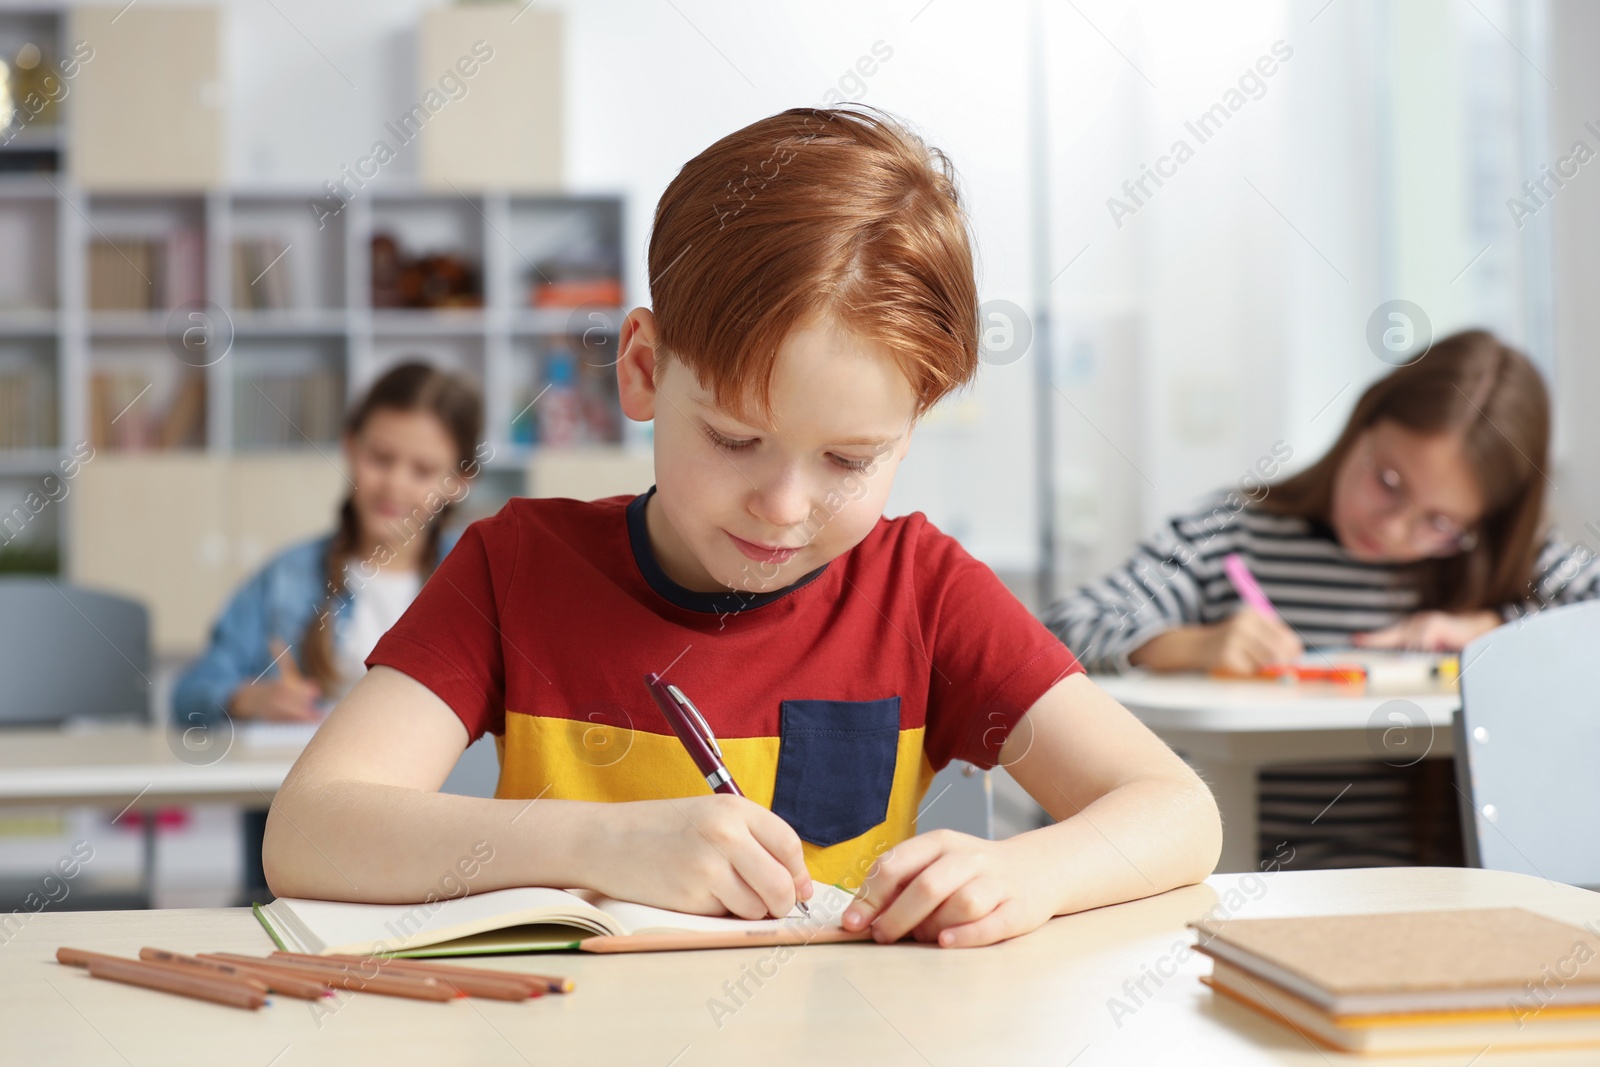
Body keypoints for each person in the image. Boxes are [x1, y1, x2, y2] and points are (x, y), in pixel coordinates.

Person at [264, 106, 1222, 949]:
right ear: (643, 370)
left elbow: (1178, 809)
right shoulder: (515, 566)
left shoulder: (921, 588)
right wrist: (603, 846)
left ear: (911, 428)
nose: (784, 506)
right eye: (733, 437)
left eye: (850, 461)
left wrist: (1032, 874)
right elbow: (310, 830)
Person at [1046, 330, 1598, 867]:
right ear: (1362, 424)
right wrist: (1188, 645)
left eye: (1439, 521)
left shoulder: (1500, 563)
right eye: (1387, 481)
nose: (1394, 528)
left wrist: (1493, 628)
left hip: (1424, 887)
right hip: (1243, 873)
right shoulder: (1232, 534)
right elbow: (1056, 633)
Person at [173, 361, 483, 897]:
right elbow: (187, 698)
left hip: (450, 858)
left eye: (423, 470)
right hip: (302, 861)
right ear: (350, 448)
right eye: (380, 458)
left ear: (459, 481)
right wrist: (247, 699)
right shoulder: (286, 579)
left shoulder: (483, 584)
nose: (395, 484)